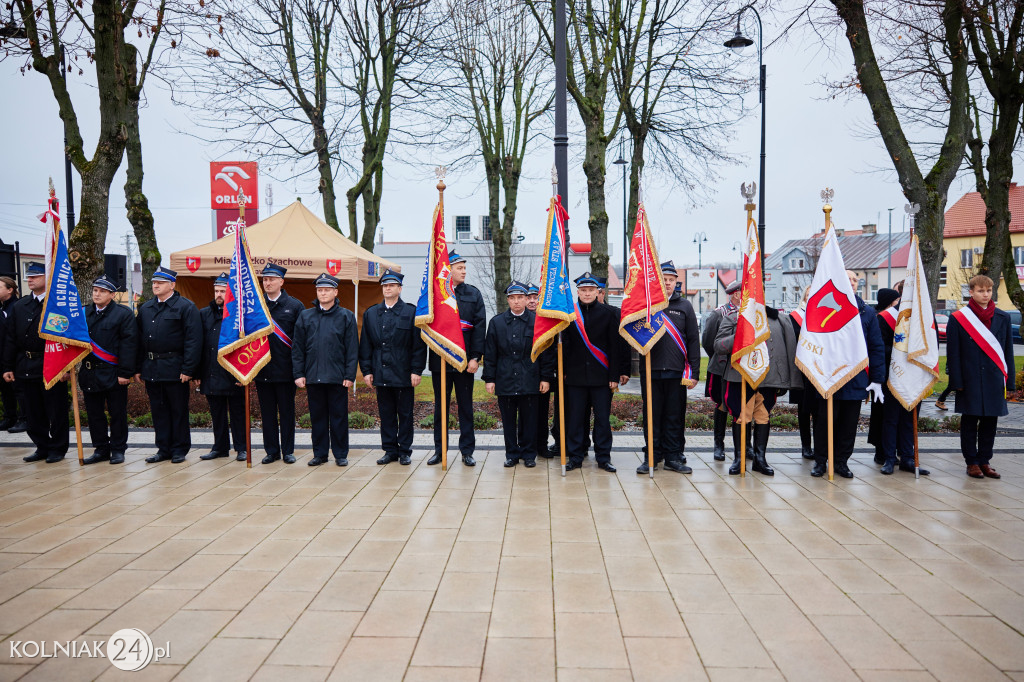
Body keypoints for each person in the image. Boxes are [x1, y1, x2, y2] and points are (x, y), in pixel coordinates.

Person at [810, 270, 885, 479]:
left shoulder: (867, 312)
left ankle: (841, 462)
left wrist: (877, 379)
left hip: (855, 377)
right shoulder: (824, 308)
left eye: (855, 280)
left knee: (848, 425)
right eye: (848, 279)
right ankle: (820, 461)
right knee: (825, 422)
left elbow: (876, 347)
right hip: (828, 377)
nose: (852, 283)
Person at [714, 303, 800, 476]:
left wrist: (788, 380)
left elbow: (791, 349)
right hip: (740, 377)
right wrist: (741, 335)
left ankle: (760, 460)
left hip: (768, 378)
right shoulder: (733, 318)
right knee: (741, 416)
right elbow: (718, 346)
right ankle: (740, 459)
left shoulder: (779, 319)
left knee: (763, 416)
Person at [946, 274, 1015, 479]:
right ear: (971, 292)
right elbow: (953, 353)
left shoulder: (1003, 317)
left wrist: (1009, 382)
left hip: (994, 379)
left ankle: (985, 460)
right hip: (970, 379)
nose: (985, 294)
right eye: (981, 291)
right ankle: (972, 462)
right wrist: (956, 381)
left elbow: (1008, 352)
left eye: (988, 291)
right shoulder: (959, 318)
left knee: (990, 422)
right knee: (970, 421)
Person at [636, 261, 700, 475]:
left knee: (674, 416)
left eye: (671, 280)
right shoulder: (647, 307)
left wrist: (695, 372)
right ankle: (652, 456)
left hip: (676, 372)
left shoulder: (685, 307)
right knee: (652, 415)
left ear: (675, 283)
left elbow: (693, 340)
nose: (668, 283)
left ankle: (673, 456)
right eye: (664, 280)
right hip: (651, 371)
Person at [2, 262, 69, 463]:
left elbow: (66, 338)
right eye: (28, 276)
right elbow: (11, 338)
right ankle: (42, 446)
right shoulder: (21, 306)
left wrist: (67, 367)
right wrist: (7, 366)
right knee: (31, 411)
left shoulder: (57, 304)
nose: (29, 279)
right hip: (25, 364)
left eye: (35, 276)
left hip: (51, 363)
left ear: (47, 278)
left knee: (56, 411)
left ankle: (58, 448)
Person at [484, 281, 555, 468]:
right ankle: (512, 454)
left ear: (526, 299)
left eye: (520, 298)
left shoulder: (538, 322)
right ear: (508, 300)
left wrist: (546, 378)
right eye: (513, 298)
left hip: (530, 379)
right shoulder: (496, 323)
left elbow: (546, 353)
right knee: (508, 421)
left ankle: (529, 454)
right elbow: (491, 354)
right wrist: (489, 379)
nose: (516, 302)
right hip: (505, 379)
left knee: (530, 419)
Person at [562, 272, 628, 472]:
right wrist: (563, 372)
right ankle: (575, 455)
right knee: (575, 419)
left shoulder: (609, 313)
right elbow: (564, 346)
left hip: (602, 378)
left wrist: (614, 376)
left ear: (598, 291)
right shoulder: (568, 314)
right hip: (575, 377)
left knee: (602, 420)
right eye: (583, 290)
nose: (587, 293)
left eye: (591, 290)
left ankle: (603, 457)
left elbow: (615, 346)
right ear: (578, 292)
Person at [135, 266, 203, 464]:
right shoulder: (146, 308)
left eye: (160, 283)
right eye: (154, 282)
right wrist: (138, 368)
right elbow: (138, 340)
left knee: (177, 410)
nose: (155, 285)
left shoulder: (186, 307)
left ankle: (179, 449)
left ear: (172, 285)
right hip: (152, 367)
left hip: (175, 367)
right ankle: (163, 448)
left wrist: (188, 369)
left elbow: (193, 340)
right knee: (158, 411)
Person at [359, 269, 426, 466]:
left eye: (391, 285)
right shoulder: (371, 313)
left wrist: (417, 370)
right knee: (386, 413)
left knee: (405, 414)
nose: (388, 289)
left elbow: (418, 346)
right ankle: (390, 450)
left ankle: (404, 450)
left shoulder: (410, 312)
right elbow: (366, 346)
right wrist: (367, 371)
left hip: (404, 372)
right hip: (381, 371)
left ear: (399, 288)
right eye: (385, 286)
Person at [293, 272, 358, 467]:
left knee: (339, 417)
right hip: (313, 376)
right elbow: (298, 348)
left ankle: (340, 454)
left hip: (338, 377)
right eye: (320, 290)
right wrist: (299, 373)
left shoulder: (346, 316)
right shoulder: (306, 316)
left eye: (327, 290)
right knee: (317, 418)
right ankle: (320, 453)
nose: (323, 293)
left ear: (335, 292)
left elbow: (352, 349)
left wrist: (349, 375)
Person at [427, 252, 486, 467]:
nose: (464, 271)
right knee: (440, 408)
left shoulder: (473, 293)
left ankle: (467, 451)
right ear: (447, 269)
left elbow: (480, 327)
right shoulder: (435, 295)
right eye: (459, 267)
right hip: (440, 360)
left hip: (464, 361)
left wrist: (475, 358)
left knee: (465, 408)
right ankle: (439, 450)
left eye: (464, 267)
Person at [79, 275, 138, 465]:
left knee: (117, 413)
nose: (97, 294)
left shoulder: (123, 314)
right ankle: (101, 448)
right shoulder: (83, 313)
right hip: (89, 372)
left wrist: (125, 372)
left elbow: (129, 345)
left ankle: (118, 449)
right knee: (94, 414)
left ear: (112, 294)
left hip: (113, 372)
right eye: (95, 290)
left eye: (102, 291)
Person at [872, 287, 929, 476]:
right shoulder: (885, 318)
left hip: (915, 376)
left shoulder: (925, 317)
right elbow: (880, 347)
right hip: (893, 375)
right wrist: (902, 350)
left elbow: (931, 345)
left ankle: (907, 457)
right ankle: (889, 458)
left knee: (909, 420)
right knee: (891, 419)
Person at [255, 263, 304, 464]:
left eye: (271, 279)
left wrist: (298, 370)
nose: (267, 283)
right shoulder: (256, 306)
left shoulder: (294, 306)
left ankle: (288, 451)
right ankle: (271, 451)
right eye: (265, 279)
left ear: (281, 282)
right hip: (262, 368)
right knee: (267, 414)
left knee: (286, 413)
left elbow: (300, 342)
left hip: (285, 370)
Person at [197, 273, 247, 462]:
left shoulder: (239, 315)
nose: (219, 295)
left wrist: (244, 373)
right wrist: (198, 372)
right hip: (211, 371)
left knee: (238, 414)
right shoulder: (204, 314)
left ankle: (241, 448)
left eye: (222, 291)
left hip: (233, 373)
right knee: (216, 414)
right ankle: (220, 447)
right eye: (217, 291)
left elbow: (247, 344)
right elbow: (199, 345)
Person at [702, 280, 742, 461]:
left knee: (742, 407)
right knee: (722, 405)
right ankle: (719, 444)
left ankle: (744, 447)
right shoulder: (719, 314)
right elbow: (708, 341)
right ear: (736, 294)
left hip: (742, 370)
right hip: (721, 368)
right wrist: (720, 358)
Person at [787, 287, 816, 461]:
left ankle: (821, 445)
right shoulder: (795, 317)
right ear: (804, 296)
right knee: (804, 411)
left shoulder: (825, 316)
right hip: (802, 369)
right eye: (808, 293)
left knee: (820, 410)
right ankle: (806, 446)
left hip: (820, 369)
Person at [0, 275, 25, 432]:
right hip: (3, 357)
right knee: (5, 389)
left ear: (10, 290)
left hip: (16, 357)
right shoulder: (2, 308)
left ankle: (24, 418)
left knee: (19, 390)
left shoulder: (16, 308)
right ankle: (9, 417)